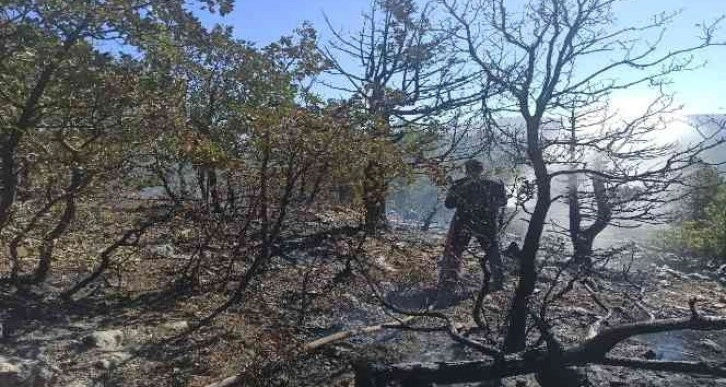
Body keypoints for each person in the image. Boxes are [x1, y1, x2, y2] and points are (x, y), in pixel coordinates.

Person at [438, 159, 507, 292]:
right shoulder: (494, 184)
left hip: (464, 223)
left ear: (467, 170)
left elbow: (449, 204)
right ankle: (499, 282)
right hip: (486, 224)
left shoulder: (459, 184)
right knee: (493, 251)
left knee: (455, 250)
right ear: (482, 170)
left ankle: (449, 281)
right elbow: (503, 202)